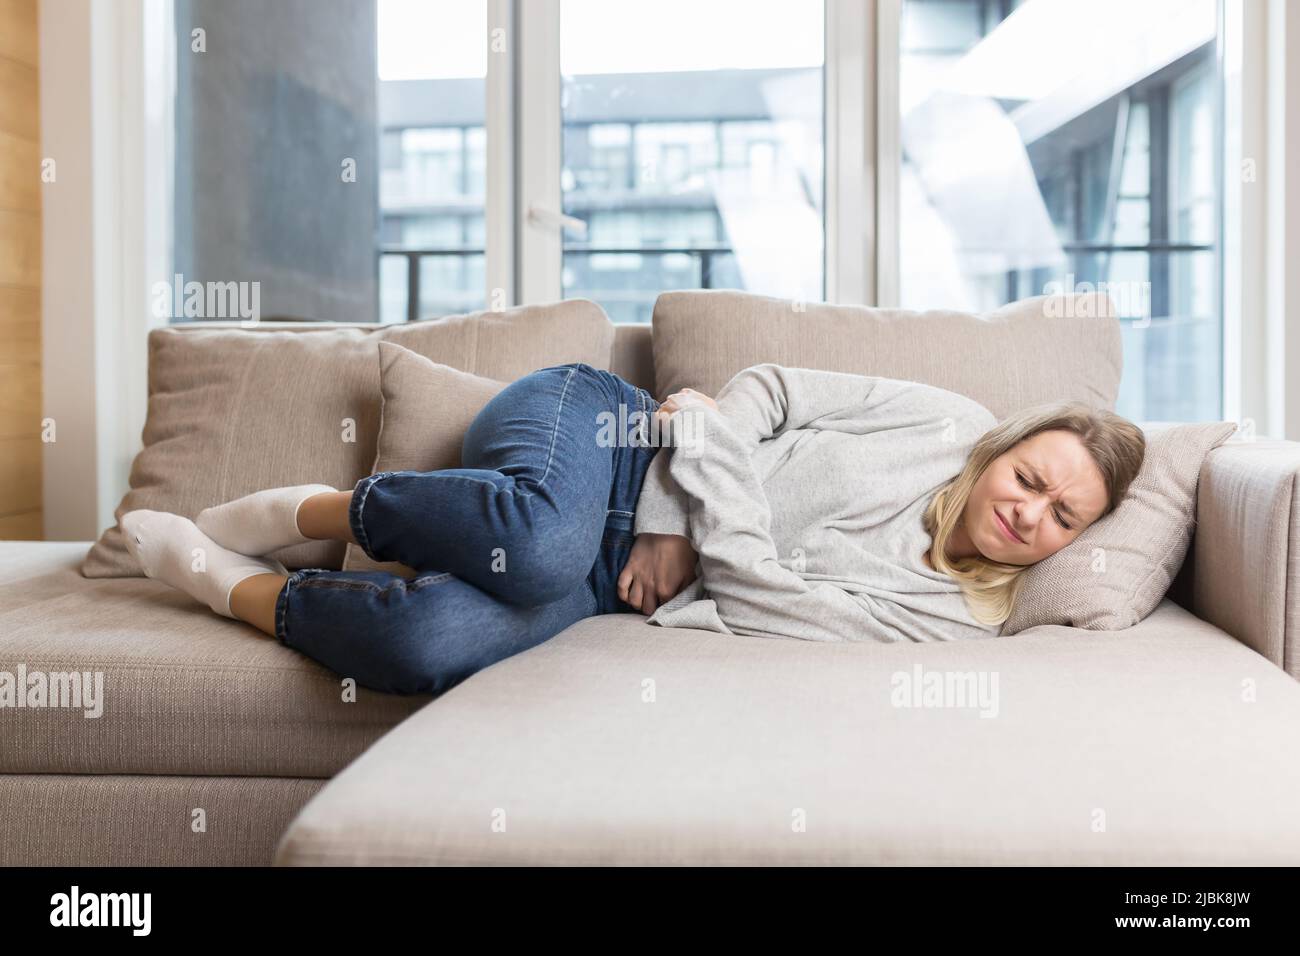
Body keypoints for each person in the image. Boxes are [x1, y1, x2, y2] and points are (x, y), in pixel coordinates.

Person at [121, 361, 1145, 695]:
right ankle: (316, 509)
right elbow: (759, 390)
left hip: (619, 581)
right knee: (540, 540)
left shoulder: (954, 621)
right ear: (1002, 447)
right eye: (1029, 477)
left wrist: (693, 525)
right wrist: (665, 507)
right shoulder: (940, 421)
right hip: (598, 430)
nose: (1026, 511)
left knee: (425, 642)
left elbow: (759, 599)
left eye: (1062, 517)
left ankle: (214, 578)